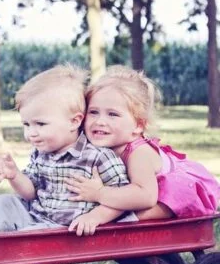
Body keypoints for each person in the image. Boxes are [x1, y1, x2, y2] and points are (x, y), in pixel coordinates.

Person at [0, 64, 133, 237]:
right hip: (36, 214)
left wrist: (95, 217)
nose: (31, 133)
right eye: (26, 125)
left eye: (40, 124)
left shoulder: (98, 157)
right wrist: (15, 176)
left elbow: (122, 200)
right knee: (3, 203)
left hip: (63, 229)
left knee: (24, 237)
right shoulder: (41, 152)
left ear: (74, 121)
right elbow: (30, 192)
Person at [65, 65, 220, 220]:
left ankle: (125, 221)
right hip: (143, 190)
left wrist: (99, 193)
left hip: (177, 191)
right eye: (93, 112)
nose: (100, 121)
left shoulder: (139, 154)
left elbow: (145, 196)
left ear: (138, 125)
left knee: (141, 210)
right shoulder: (98, 143)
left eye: (112, 114)